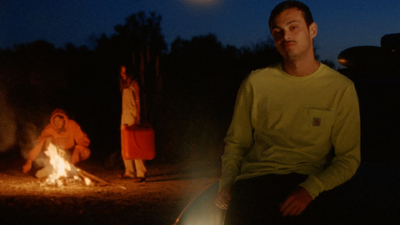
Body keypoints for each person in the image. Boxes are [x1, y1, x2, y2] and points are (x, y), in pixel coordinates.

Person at [215, 1, 361, 224]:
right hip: (254, 184)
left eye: (294, 27)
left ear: (312, 30)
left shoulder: (340, 88)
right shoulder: (256, 82)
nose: (286, 36)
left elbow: (348, 158)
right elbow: (237, 143)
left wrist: (310, 189)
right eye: (277, 31)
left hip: (305, 185)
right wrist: (226, 184)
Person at [22, 108, 91, 178]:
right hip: (57, 154)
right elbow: (38, 145)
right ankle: (52, 167)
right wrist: (29, 161)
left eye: (59, 120)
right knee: (48, 139)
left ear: (64, 119)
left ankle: (72, 167)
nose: (57, 123)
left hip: (71, 153)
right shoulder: (49, 129)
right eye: (55, 121)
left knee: (86, 152)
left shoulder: (72, 125)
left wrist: (77, 150)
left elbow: (83, 140)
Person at [118, 64, 147, 182]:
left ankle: (141, 172)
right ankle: (129, 171)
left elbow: (138, 100)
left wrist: (138, 116)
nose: (123, 74)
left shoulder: (134, 84)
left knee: (135, 144)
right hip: (124, 115)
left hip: (132, 115)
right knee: (125, 144)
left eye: (125, 72)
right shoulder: (124, 85)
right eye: (122, 72)